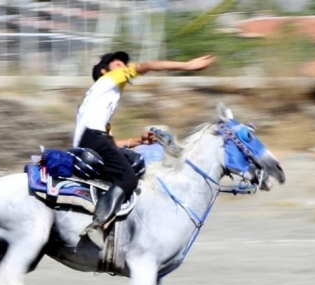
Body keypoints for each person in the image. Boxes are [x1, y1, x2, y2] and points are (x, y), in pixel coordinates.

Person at [75, 51, 217, 248]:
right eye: (119, 64)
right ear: (104, 70)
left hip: (91, 141)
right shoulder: (109, 79)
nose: (124, 67)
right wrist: (188, 66)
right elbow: (149, 66)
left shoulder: (98, 101)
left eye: (125, 64)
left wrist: (137, 141)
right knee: (128, 179)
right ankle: (99, 225)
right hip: (93, 139)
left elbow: (112, 143)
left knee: (134, 165)